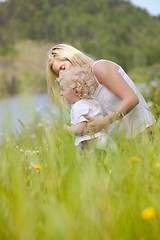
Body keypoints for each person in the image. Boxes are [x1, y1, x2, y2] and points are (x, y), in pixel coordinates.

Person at [47, 43, 156, 139]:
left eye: (63, 68)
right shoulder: (80, 92)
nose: (62, 74)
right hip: (124, 143)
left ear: (71, 58)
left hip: (144, 134)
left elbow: (131, 99)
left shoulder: (99, 68)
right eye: (58, 73)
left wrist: (105, 122)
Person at [56, 67, 109, 150]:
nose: (60, 93)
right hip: (104, 141)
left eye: (63, 90)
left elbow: (81, 129)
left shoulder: (78, 106)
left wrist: (67, 129)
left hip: (97, 147)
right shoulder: (91, 101)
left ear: (76, 91)